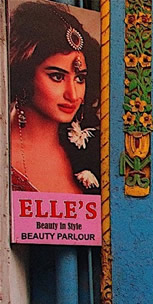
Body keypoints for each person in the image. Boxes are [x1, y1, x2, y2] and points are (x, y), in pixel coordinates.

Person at [8, 0, 100, 194]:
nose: (72, 95)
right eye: (57, 77)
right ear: (24, 74)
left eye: (80, 78)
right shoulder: (6, 152)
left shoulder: (89, 152)